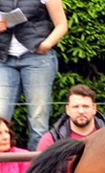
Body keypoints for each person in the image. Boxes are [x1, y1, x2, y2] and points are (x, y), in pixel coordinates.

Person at [0, 0, 67, 151]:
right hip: (4, 59)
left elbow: (62, 25)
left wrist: (46, 45)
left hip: (37, 59)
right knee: (1, 117)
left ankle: (37, 168)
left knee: (38, 120)